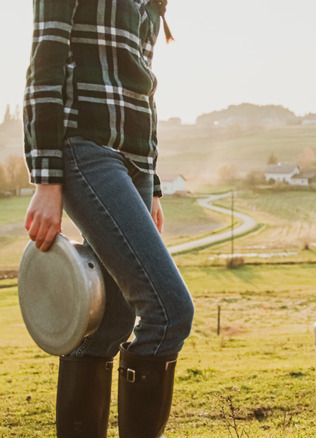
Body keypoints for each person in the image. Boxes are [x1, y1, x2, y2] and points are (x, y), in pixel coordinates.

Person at [23, 1, 193, 437]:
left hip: (134, 161)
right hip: (86, 149)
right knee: (169, 312)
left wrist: (151, 182)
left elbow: (145, 87)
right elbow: (45, 62)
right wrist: (46, 180)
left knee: (108, 326)